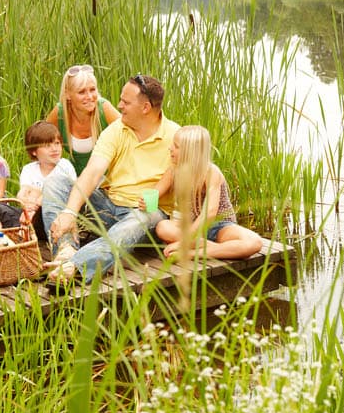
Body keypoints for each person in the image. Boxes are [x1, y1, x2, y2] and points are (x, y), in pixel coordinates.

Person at [43, 74, 179, 284]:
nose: (118, 105)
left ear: (145, 108)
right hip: (108, 208)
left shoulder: (176, 136)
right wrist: (70, 212)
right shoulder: (116, 130)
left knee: (144, 217)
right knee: (57, 181)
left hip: (145, 216)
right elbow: (93, 172)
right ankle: (65, 249)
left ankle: (74, 266)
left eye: (125, 102)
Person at [153, 125, 263, 260]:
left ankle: (193, 253)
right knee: (163, 227)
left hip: (220, 227)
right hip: (193, 227)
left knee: (254, 242)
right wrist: (147, 199)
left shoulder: (211, 172)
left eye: (176, 146)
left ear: (190, 151)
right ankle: (211, 247)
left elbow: (209, 213)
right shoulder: (174, 170)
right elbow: (155, 192)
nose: (170, 148)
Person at [45, 64, 121, 176]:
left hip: (107, 181)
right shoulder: (60, 113)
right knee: (52, 184)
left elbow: (130, 137)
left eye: (92, 90)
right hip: (75, 180)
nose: (90, 96)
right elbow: (40, 144)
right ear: (68, 95)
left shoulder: (104, 108)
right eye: (82, 92)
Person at [15, 120, 76, 243]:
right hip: (34, 215)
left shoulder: (64, 165)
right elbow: (23, 193)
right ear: (34, 151)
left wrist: (35, 204)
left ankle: (28, 231)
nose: (55, 149)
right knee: (1, 209)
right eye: (48, 145)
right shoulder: (29, 169)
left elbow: (68, 194)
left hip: (57, 215)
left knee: (42, 194)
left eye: (57, 143)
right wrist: (27, 204)